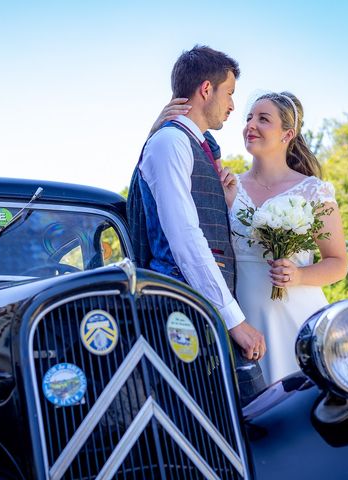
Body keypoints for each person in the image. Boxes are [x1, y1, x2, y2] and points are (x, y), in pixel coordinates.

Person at [152, 91, 348, 384]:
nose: (250, 125)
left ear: (287, 134)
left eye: (263, 119)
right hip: (243, 319)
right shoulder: (228, 185)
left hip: (298, 315)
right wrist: (157, 130)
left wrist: (298, 275)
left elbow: (337, 263)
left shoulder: (313, 190)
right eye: (248, 118)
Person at [127, 45, 266, 403]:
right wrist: (235, 321)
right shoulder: (170, 142)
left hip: (202, 307)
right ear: (206, 89)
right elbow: (185, 237)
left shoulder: (191, 145)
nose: (233, 106)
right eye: (230, 93)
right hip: (180, 309)